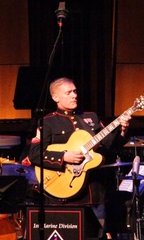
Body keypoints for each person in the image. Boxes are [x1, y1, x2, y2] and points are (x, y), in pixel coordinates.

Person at [28, 77, 130, 207]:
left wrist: (122, 130)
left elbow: (110, 145)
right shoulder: (47, 122)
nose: (74, 96)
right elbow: (35, 154)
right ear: (55, 98)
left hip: (94, 192)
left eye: (75, 91)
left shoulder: (91, 117)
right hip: (64, 191)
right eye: (68, 93)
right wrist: (64, 157)